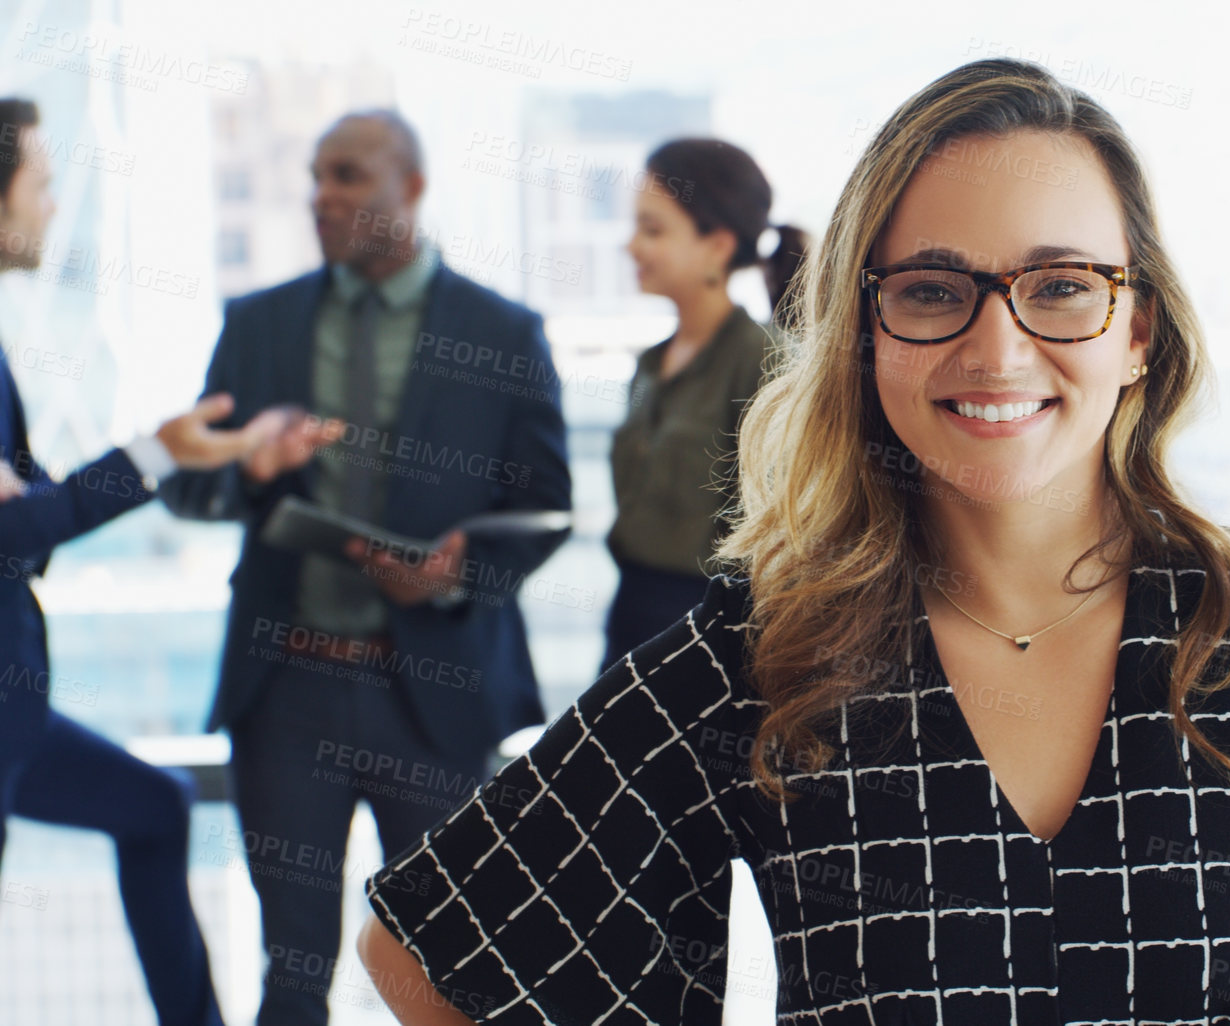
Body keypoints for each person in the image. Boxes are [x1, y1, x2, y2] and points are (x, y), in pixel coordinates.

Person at [358, 60, 1230, 1024]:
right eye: (930, 290)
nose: (996, 348)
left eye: (1058, 286)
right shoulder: (770, 656)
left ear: (1136, 328)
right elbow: (425, 952)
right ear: (865, 329)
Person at [160, 109, 572, 1024]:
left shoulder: (502, 334)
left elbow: (546, 507)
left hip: (432, 696)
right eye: (316, 176)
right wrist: (245, 470)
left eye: (347, 174)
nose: (323, 195)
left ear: (412, 189)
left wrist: (460, 571)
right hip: (288, 689)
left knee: (445, 971)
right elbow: (192, 489)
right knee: (293, 967)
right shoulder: (259, 324)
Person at [0, 96, 282, 1026]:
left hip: (17, 710)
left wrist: (162, 453)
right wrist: (155, 457)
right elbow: (19, 528)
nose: (49, 206)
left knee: (155, 808)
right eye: (39, 184)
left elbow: (33, 506)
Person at [602, 138, 806, 669]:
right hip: (630, 613)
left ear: (717, 244)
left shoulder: (762, 358)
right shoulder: (651, 362)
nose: (633, 247)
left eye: (653, 230)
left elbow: (778, 537)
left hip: (704, 631)